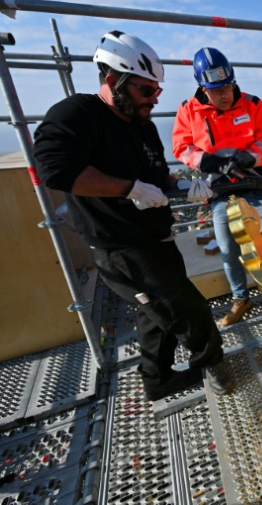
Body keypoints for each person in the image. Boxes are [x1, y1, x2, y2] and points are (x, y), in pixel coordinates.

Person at [33, 32, 233, 401]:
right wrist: (128, 188)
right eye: (146, 91)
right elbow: (53, 168)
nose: (155, 99)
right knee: (190, 312)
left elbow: (158, 176)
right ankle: (215, 364)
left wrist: (183, 184)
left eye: (157, 90)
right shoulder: (78, 114)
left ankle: (158, 380)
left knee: (155, 314)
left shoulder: (143, 124)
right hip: (122, 247)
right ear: (113, 82)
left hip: (155, 238)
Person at [171, 47, 262, 329]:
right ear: (203, 87)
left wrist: (249, 157)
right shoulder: (189, 110)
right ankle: (241, 298)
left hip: (258, 182)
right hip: (221, 187)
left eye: (228, 86)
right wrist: (209, 161)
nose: (225, 94)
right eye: (217, 90)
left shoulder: (252, 104)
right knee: (227, 248)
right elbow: (181, 146)